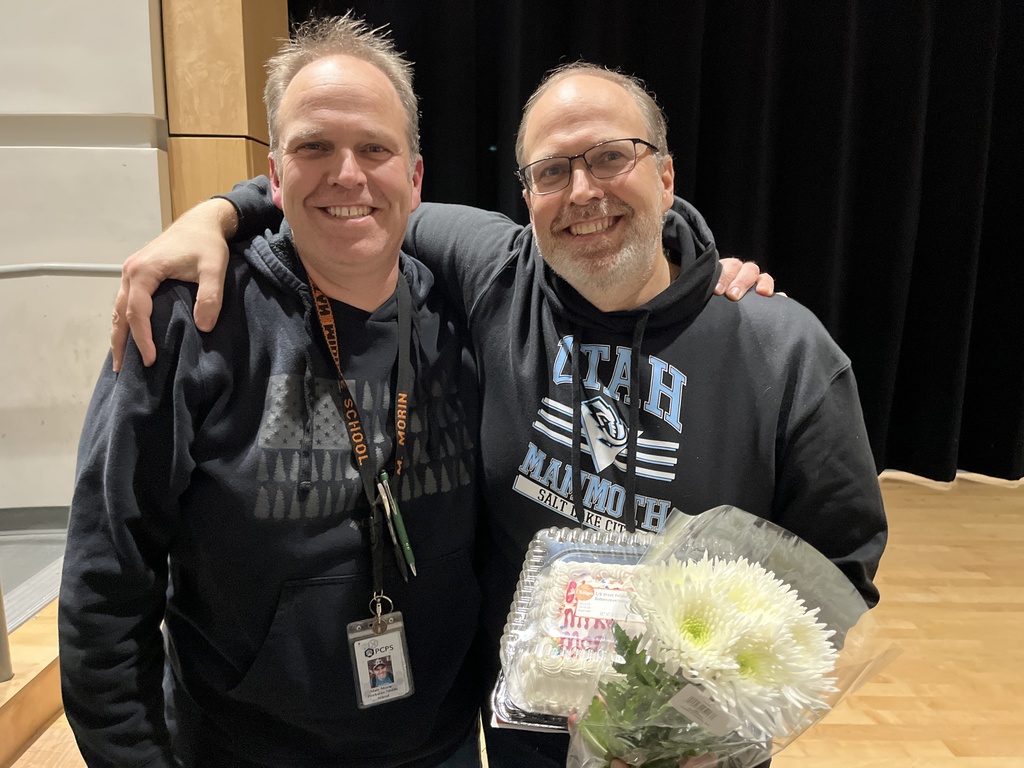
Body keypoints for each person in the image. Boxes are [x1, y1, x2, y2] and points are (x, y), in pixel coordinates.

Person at [111, 62, 887, 768]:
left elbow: (837, 570)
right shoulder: (498, 273)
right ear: (527, 196)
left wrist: (705, 725)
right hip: (522, 739)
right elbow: (351, 197)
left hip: (694, 748)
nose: (583, 191)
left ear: (666, 173)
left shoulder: (782, 349)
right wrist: (217, 212)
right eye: (553, 170)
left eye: (612, 156)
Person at [59, 15, 484, 768]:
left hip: (439, 746)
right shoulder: (191, 320)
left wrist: (696, 273)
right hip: (243, 750)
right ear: (274, 176)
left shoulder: (463, 310)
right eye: (314, 147)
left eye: (375, 149)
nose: (348, 174)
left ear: (414, 176)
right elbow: (107, 582)